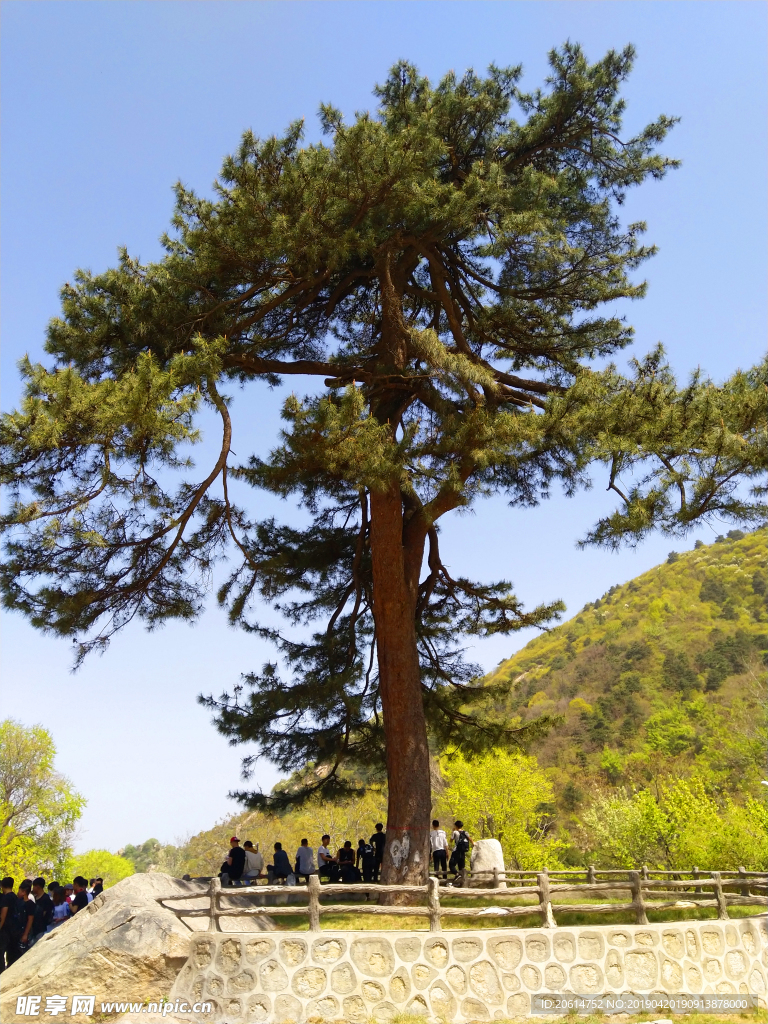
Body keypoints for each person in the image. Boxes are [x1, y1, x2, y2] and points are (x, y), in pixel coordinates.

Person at [0, 876, 20, 972]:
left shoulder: (5, 898)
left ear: (2, 886)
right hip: (15, 929)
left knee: (1, 953)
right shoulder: (15, 897)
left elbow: (3, 915)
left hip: (6, 930)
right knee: (12, 954)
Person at [30, 878, 53, 944]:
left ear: (38, 887)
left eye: (33, 886)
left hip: (42, 929)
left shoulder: (46, 898)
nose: (33, 888)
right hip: (34, 929)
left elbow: (44, 913)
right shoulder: (34, 898)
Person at [17, 880, 37, 954]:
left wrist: (25, 934)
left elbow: (30, 919)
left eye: (19, 890)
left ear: (24, 892)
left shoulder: (30, 904)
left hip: (25, 930)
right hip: (17, 930)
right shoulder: (19, 902)